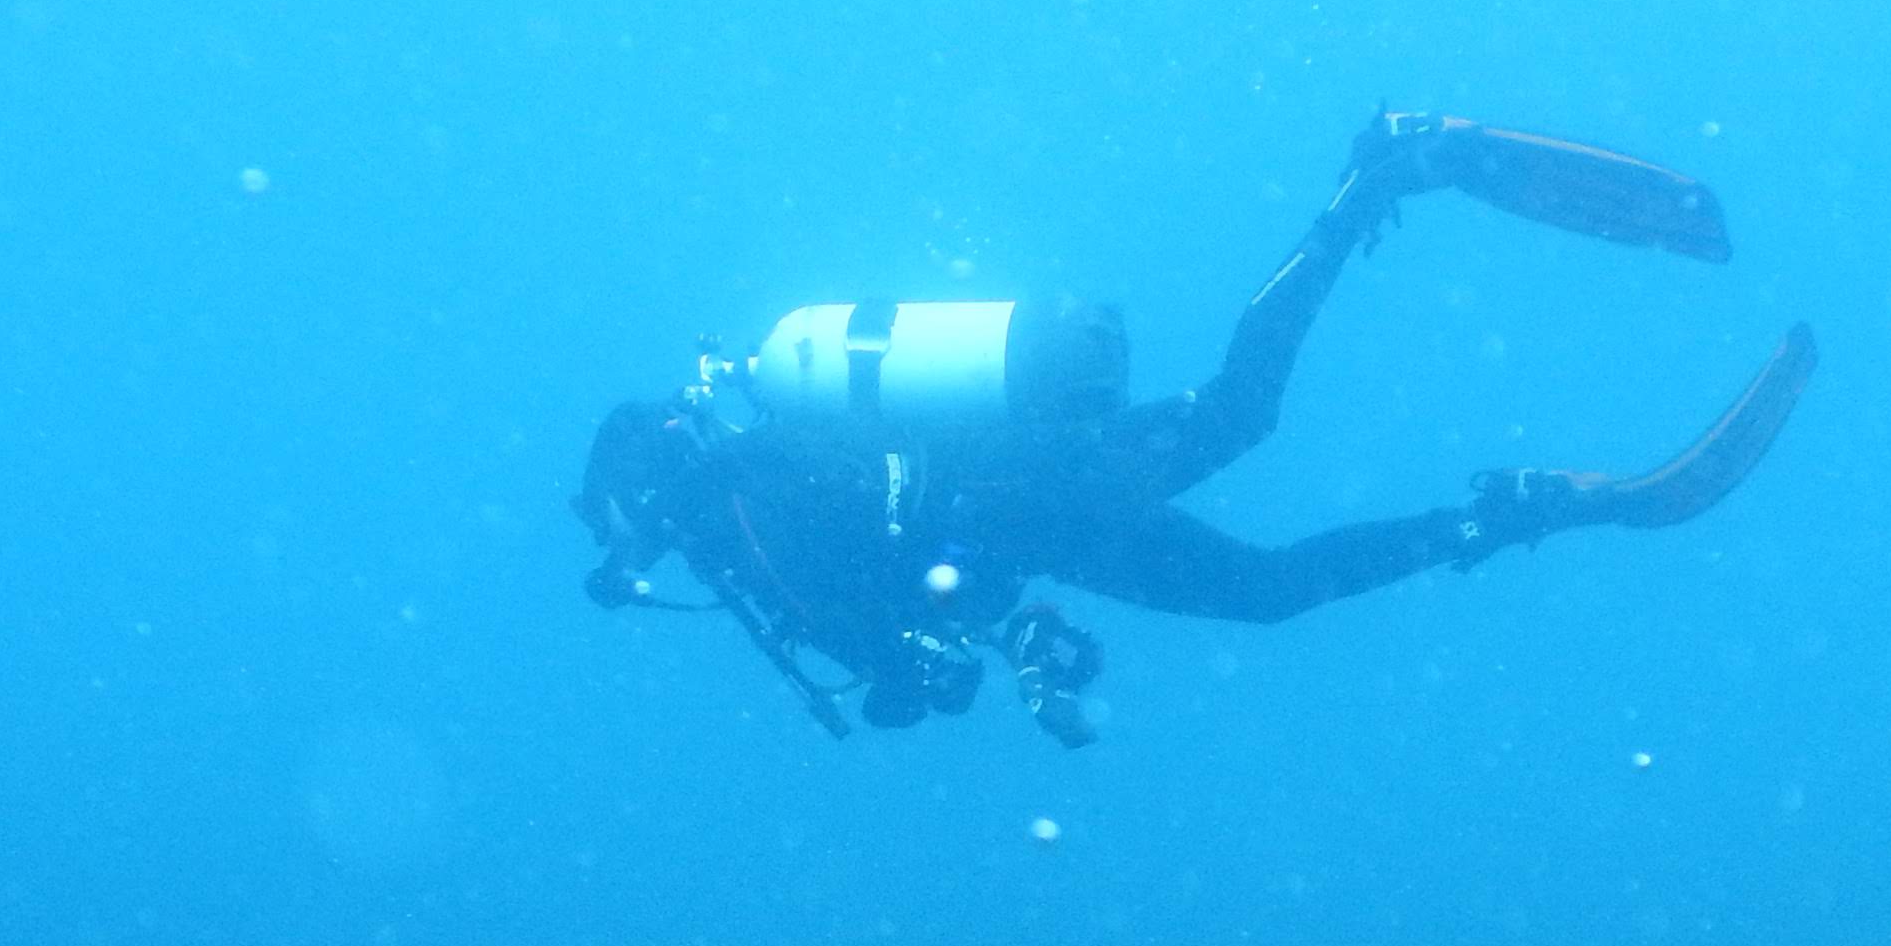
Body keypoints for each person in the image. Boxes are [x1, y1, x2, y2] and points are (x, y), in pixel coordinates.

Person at [573, 111, 1816, 744]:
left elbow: (891, 602)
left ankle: (1379, 178)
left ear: (644, 504)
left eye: (629, 541)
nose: (639, 566)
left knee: (1242, 422)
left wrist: (933, 664)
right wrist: (1024, 641)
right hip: (1037, 518)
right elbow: (920, 582)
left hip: (1030, 491)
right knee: (1268, 580)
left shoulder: (740, 521)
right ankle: (1513, 508)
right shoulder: (752, 495)